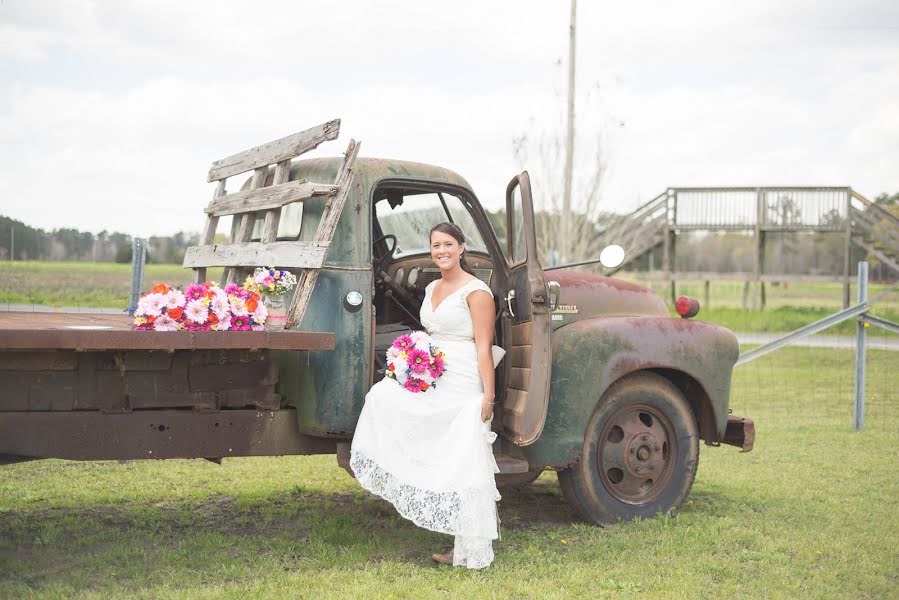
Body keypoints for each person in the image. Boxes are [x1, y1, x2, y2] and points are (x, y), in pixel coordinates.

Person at [350, 222, 502, 569]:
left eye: (448, 244)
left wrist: (488, 398)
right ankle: (419, 483)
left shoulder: (477, 293)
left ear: (462, 248)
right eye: (435, 245)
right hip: (433, 370)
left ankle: (471, 548)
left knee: (466, 455)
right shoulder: (432, 285)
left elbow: (483, 346)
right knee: (381, 396)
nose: (441, 251)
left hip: (462, 375)